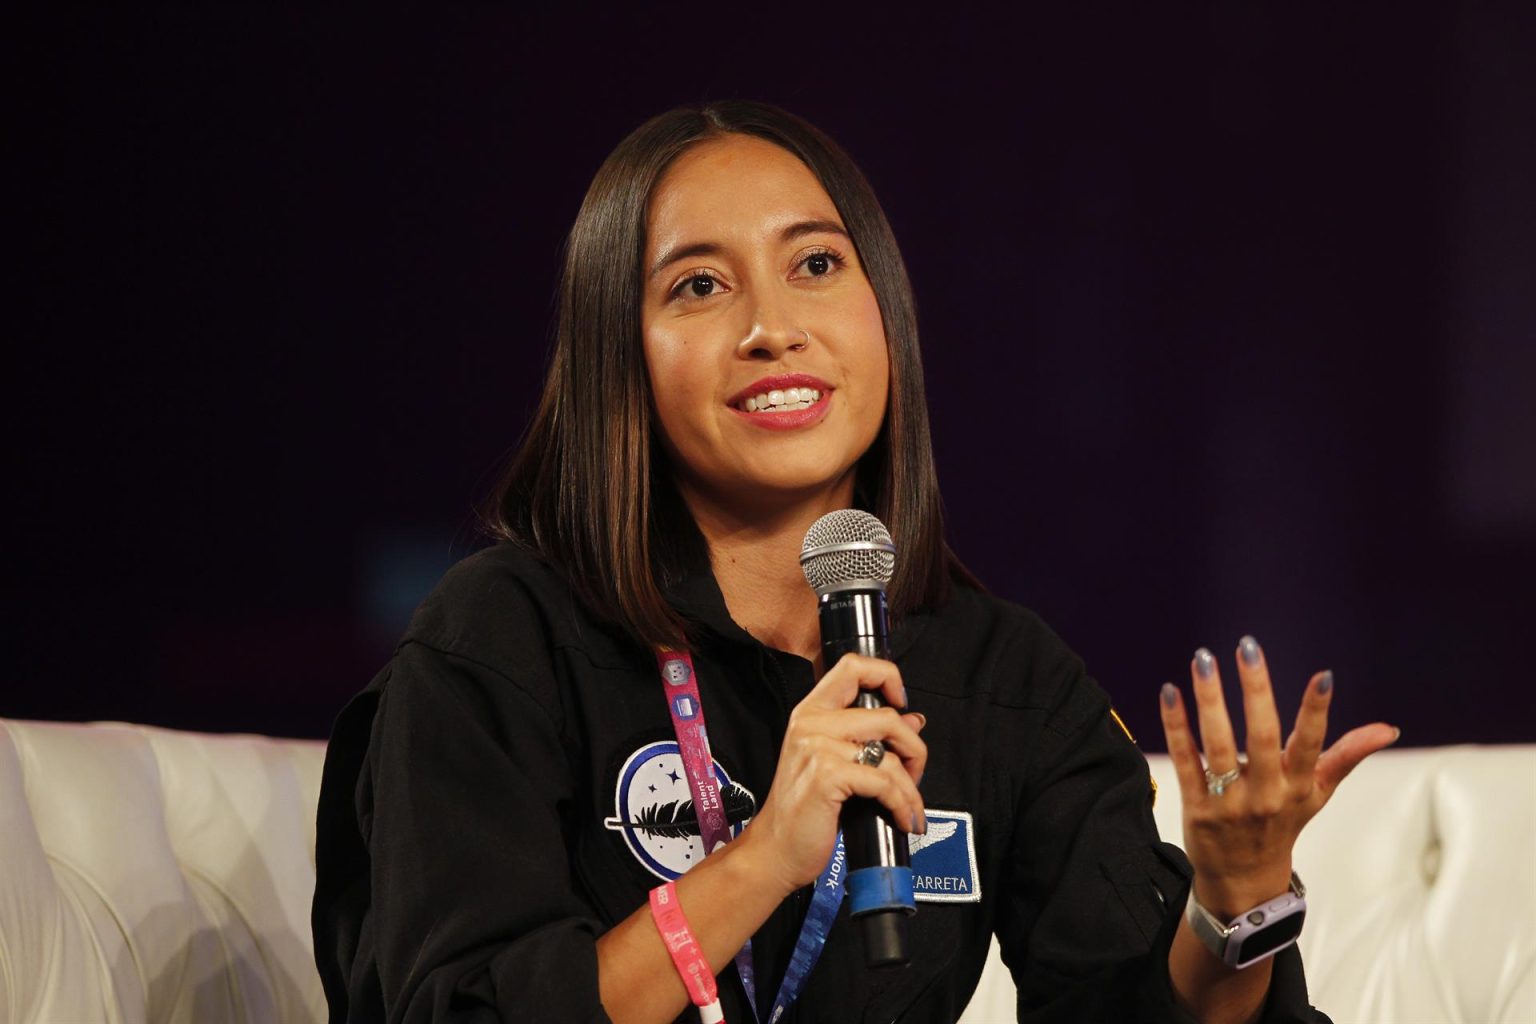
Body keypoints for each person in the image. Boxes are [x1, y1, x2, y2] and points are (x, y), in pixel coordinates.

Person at [311, 100, 1397, 1024]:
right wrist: (761, 860)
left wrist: (1237, 901)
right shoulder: (505, 639)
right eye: (698, 285)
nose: (772, 327)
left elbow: (1127, 1004)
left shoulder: (997, 676)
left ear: (886, 315)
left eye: (817, 264)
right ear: (618, 352)